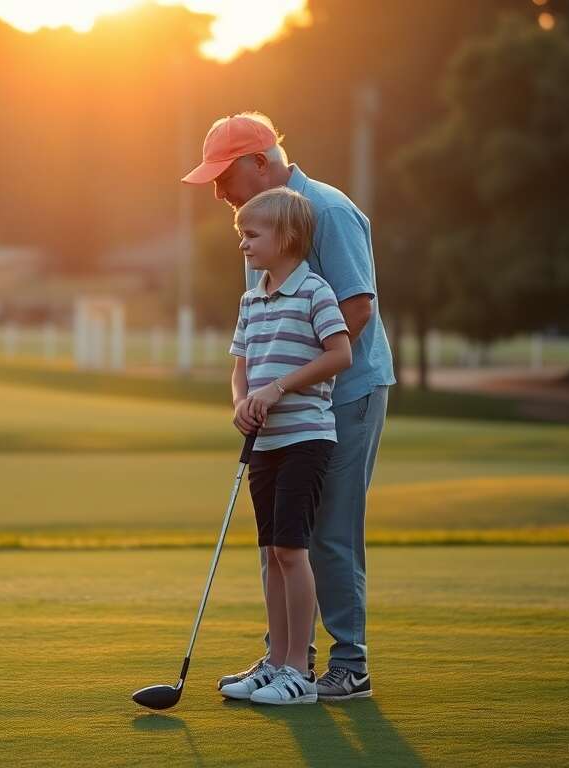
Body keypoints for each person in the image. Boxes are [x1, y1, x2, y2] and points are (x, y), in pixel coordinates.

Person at [184, 113, 395, 701]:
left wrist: (285, 385)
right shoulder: (259, 226)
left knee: (327, 532)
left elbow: (356, 311)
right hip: (282, 406)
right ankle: (287, 659)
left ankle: (348, 663)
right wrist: (250, 393)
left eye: (225, 177)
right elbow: (254, 331)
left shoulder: (324, 210)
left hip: (346, 395)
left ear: (259, 162)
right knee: (280, 533)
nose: (220, 192)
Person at [217, 187, 352, 705]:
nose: (244, 245)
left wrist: (278, 388)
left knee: (293, 551)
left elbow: (339, 353)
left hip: (305, 438)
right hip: (265, 442)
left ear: (287, 237)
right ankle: (275, 662)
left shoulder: (315, 292)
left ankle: (299, 670)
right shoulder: (252, 298)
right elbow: (240, 367)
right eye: (241, 236)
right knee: (272, 552)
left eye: (252, 235)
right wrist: (240, 402)